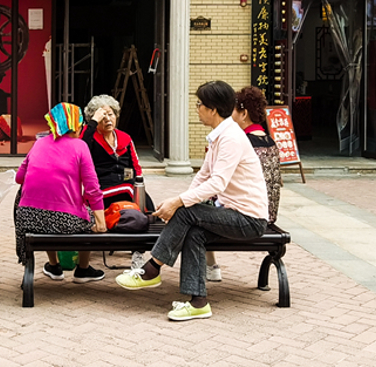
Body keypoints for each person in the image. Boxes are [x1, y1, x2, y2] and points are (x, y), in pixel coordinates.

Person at [116, 80, 269, 322]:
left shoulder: (231, 138)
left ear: (213, 109)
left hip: (248, 219)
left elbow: (217, 183)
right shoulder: (220, 136)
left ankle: (151, 269)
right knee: (192, 230)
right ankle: (198, 302)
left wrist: (179, 203)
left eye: (199, 104)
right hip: (230, 214)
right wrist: (177, 203)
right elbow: (203, 176)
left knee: (186, 212)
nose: (196, 108)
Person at [14, 102, 107, 282]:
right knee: (88, 217)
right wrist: (100, 221)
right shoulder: (80, 146)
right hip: (66, 221)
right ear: (75, 124)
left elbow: (19, 178)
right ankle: (83, 269)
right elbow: (92, 188)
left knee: (38, 202)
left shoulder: (39, 144)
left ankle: (54, 266)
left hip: (27, 218)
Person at [204, 85, 283, 282]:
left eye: (233, 111)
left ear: (243, 113)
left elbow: (218, 182)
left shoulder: (240, 141)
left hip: (248, 214)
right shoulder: (269, 140)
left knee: (198, 210)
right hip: (269, 211)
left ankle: (210, 266)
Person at [82, 94, 144, 208]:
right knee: (130, 193)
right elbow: (81, 147)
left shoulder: (125, 138)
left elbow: (135, 166)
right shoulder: (89, 137)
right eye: (103, 116)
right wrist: (93, 122)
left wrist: (136, 183)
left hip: (126, 185)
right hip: (101, 189)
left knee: (143, 199)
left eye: (110, 114)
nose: (108, 119)